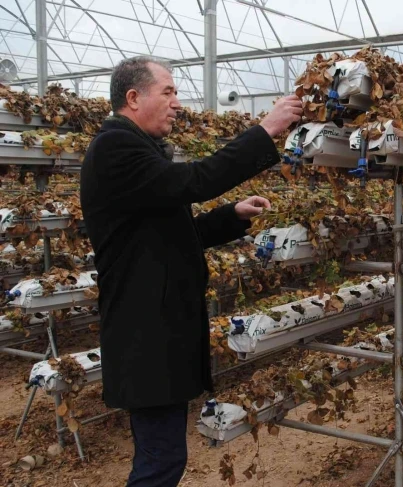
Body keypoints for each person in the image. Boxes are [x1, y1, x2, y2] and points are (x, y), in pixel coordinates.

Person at [79, 56, 302, 486]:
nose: (177, 103)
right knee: (161, 462)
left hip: (155, 333)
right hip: (145, 334)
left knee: (160, 456)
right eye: (168, 92)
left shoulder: (137, 150)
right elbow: (193, 181)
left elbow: (174, 233)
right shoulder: (115, 148)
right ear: (133, 98)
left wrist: (230, 216)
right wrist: (265, 130)